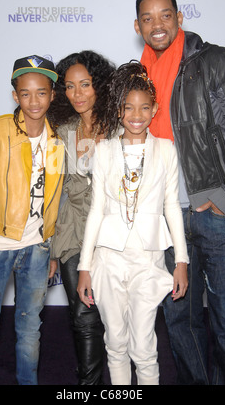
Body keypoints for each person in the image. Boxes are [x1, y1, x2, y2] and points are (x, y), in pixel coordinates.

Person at [134, 0, 225, 385]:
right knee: (180, 322)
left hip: (214, 214)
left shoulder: (214, 61)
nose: (157, 25)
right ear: (138, 26)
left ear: (180, 18)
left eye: (165, 15)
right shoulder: (137, 78)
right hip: (165, 220)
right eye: (148, 18)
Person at [77, 61, 189, 385]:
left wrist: (180, 261)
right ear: (119, 111)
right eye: (128, 108)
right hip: (108, 258)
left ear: (154, 109)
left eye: (143, 107)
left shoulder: (166, 150)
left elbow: (172, 206)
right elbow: (96, 210)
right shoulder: (104, 151)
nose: (136, 115)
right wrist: (85, 266)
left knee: (144, 345)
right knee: (115, 342)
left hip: (149, 259)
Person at [0, 55, 65, 385]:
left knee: (30, 332)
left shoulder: (58, 139)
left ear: (53, 94)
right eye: (25, 92)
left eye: (42, 92)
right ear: (15, 95)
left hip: (37, 249)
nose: (34, 100)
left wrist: (52, 249)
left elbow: (54, 200)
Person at [47, 50, 115, 385]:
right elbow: (55, 193)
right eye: (70, 87)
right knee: (83, 317)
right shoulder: (62, 132)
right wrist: (52, 247)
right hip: (74, 236)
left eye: (85, 84)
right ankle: (88, 385)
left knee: (120, 321)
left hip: (115, 237)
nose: (77, 94)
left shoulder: (121, 127)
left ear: (99, 85)